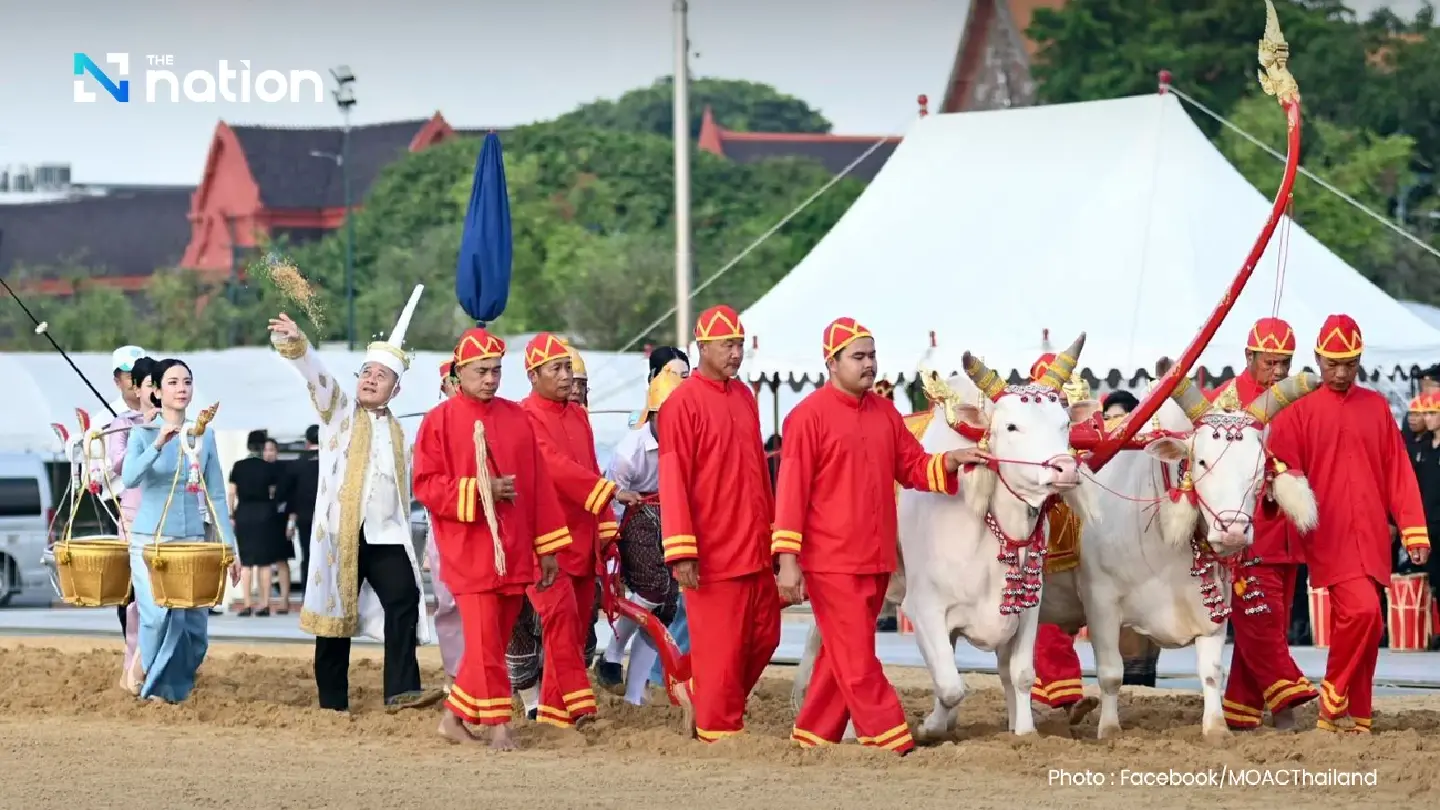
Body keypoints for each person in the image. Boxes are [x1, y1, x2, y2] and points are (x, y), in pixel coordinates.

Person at [774, 318, 978, 754]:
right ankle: (891, 737)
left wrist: (951, 460)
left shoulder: (885, 413)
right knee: (857, 658)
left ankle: (812, 737)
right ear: (832, 363)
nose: (869, 364)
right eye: (858, 357)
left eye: (872, 356)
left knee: (842, 655)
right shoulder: (806, 417)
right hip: (830, 562)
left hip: (877, 558)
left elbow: (913, 466)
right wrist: (788, 561)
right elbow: (790, 493)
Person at [266, 287, 440, 713]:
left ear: (395, 390)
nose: (371, 379)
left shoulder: (398, 432)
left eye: (382, 376)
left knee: (404, 599)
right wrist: (300, 347)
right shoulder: (341, 412)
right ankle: (333, 703)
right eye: (367, 372)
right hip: (339, 534)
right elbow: (319, 379)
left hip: (385, 534)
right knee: (334, 619)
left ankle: (402, 690)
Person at [1266, 314, 1429, 734]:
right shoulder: (1298, 411)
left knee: (1365, 624)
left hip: (1373, 532)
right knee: (1364, 613)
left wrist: (1412, 529)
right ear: (1318, 358)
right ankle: (1333, 699)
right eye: (1333, 364)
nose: (1341, 373)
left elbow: (1398, 471)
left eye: (1350, 364)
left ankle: (1357, 716)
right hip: (1330, 533)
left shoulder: (1376, 406)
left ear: (1359, 360)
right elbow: (1282, 470)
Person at [413, 327, 574, 749]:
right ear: (459, 372)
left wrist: (548, 549)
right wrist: (481, 490)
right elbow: (426, 486)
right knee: (486, 641)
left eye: (496, 371)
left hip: (515, 549)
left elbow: (538, 487)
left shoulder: (517, 417)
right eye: (481, 371)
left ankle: (453, 718)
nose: (490, 379)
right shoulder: (438, 421)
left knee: (493, 641)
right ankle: (499, 723)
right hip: (469, 550)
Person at [658, 304, 781, 741]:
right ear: (702, 347)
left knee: (767, 635)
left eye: (739, 345)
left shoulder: (744, 396)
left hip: (754, 543)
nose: (736, 353)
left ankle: (703, 692)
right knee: (722, 648)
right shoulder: (681, 403)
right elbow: (672, 479)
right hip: (710, 551)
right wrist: (682, 551)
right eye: (727, 345)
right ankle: (717, 728)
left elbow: (759, 471)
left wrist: (774, 535)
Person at [1208, 318, 1317, 731]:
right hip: (1244, 530)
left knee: (1273, 621)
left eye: (1284, 362)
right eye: (1269, 362)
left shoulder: (1296, 399)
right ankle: (1287, 696)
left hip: (1289, 532)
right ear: (1248, 356)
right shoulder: (1226, 402)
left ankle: (1240, 708)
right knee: (1259, 617)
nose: (1278, 371)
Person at [518, 332, 623, 728]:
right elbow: (553, 466)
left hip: (582, 537)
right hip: (543, 542)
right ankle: (583, 708)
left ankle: (552, 717)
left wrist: (606, 526)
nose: (566, 377)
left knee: (575, 628)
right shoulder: (525, 417)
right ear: (533, 375)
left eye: (568, 369)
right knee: (560, 621)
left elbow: (590, 466)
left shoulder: (579, 415)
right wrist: (608, 492)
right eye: (557, 369)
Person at [122, 359, 240, 703]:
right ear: (157, 392)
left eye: (186, 381)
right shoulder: (143, 433)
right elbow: (129, 478)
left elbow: (216, 495)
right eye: (172, 382)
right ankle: (153, 686)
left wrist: (229, 548)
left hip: (192, 541)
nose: (181, 388)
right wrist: (158, 442)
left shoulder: (204, 435)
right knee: (157, 616)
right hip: (151, 542)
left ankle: (174, 684)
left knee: (195, 625)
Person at [596, 368, 684, 703]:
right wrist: (611, 545)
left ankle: (633, 696)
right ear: (653, 415)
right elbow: (612, 500)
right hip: (634, 518)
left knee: (665, 607)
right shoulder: (629, 451)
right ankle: (613, 652)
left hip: (672, 516)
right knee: (653, 588)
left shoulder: (689, 443)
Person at [1025, 353, 1096, 722]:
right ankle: (1064, 695)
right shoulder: (1025, 432)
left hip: (1081, 529)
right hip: (1040, 530)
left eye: (1067, 402)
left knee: (1060, 619)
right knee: (1045, 617)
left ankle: (1055, 696)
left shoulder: (1081, 426)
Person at [106, 349, 153, 693]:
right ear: (119, 381)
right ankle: (134, 663)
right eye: (130, 376)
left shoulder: (171, 415)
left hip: (166, 516)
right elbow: (116, 466)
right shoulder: (115, 420)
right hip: (129, 514)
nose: (138, 384)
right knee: (133, 596)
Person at [425, 361, 464, 686]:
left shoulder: (493, 416)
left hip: (485, 525)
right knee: (449, 601)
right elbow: (426, 481)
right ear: (445, 385)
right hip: (444, 523)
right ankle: (455, 676)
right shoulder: (434, 422)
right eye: (454, 380)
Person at [229, 430, 289, 616]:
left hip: (244, 513)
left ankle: (247, 603)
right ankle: (264, 604)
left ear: (248, 445)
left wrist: (231, 514)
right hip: (265, 514)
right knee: (264, 562)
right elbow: (274, 492)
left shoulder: (238, 466)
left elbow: (231, 492)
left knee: (246, 562)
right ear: (263, 446)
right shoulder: (268, 468)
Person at [282, 425, 320, 592]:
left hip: (304, 517)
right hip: (329, 518)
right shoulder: (333, 462)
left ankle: (308, 594)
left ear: (307, 442)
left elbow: (287, 494)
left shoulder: (297, 464)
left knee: (308, 555)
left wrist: (290, 520)